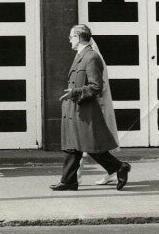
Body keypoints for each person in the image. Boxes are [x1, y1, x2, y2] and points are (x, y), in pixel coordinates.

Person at [51, 24, 130, 192]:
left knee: (91, 147)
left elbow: (96, 87)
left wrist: (75, 92)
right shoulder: (81, 55)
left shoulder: (92, 57)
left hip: (84, 111)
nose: (69, 40)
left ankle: (119, 167)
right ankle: (68, 181)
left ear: (78, 38)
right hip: (76, 109)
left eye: (71, 37)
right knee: (73, 146)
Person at [78, 36, 119, 186]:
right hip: (94, 104)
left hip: (95, 106)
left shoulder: (92, 58)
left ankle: (76, 176)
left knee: (87, 144)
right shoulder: (91, 56)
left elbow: (97, 85)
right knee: (88, 145)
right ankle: (113, 170)